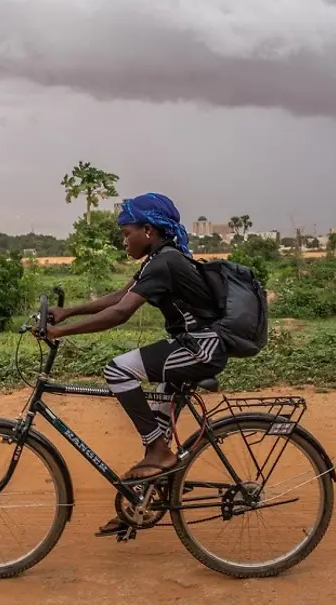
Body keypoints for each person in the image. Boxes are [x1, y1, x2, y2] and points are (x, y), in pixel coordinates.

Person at [44, 192, 228, 535]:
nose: (123, 240)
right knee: (157, 417)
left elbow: (119, 313)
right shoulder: (158, 259)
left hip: (200, 348)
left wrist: (60, 331)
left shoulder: (165, 262)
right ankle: (142, 502)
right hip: (192, 346)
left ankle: (157, 452)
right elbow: (118, 298)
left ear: (149, 230)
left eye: (127, 233)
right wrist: (68, 312)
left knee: (119, 369)